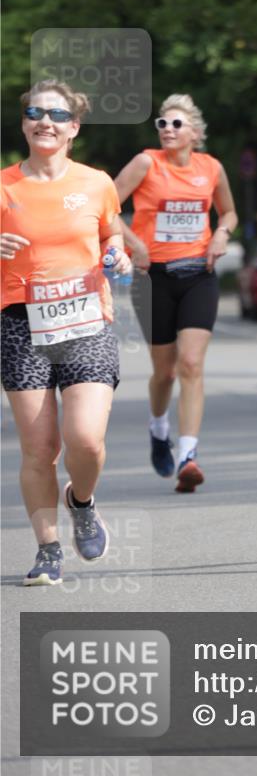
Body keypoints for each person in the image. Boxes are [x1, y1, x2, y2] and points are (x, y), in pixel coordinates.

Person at [1, 80, 131, 586]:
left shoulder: (97, 182)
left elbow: (110, 234)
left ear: (73, 127)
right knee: (39, 448)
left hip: (85, 320)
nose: (44, 122)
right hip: (19, 322)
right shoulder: (6, 184)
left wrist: (117, 253)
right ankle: (48, 550)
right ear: (24, 124)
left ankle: (81, 500)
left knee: (86, 441)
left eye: (56, 115)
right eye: (34, 113)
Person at [114, 94, 237, 493]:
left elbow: (229, 211)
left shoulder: (211, 168)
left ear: (195, 134)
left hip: (199, 275)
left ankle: (188, 454)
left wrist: (221, 232)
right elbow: (105, 207)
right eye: (162, 123)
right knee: (165, 372)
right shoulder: (146, 162)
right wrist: (135, 243)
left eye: (177, 124)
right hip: (154, 279)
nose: (168, 129)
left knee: (191, 364)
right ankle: (158, 426)